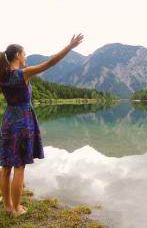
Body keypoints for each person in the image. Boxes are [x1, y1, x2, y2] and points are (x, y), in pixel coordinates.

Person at [0, 33, 84, 216]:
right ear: (17, 56)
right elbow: (50, 63)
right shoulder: (23, 73)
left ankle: (7, 206)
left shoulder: (2, 75)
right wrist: (69, 47)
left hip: (8, 120)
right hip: (22, 121)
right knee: (19, 166)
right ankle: (16, 209)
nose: (26, 57)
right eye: (25, 54)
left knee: (6, 165)